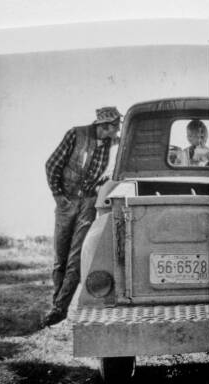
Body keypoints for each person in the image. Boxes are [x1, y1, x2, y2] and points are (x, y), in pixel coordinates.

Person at [41, 106, 122, 327]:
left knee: (75, 259)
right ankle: (56, 304)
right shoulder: (75, 134)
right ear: (105, 126)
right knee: (61, 258)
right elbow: (52, 165)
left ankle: (60, 309)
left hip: (88, 203)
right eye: (116, 125)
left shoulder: (116, 144)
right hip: (66, 201)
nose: (118, 129)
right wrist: (58, 195)